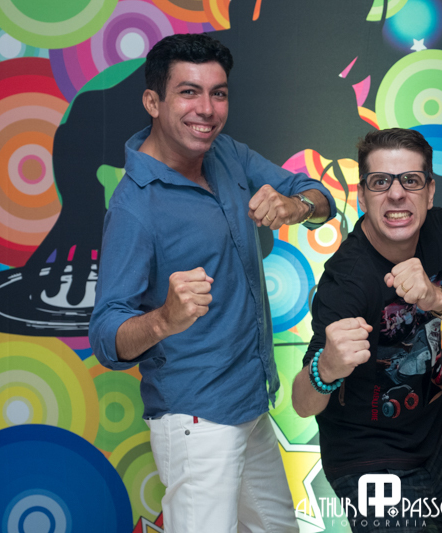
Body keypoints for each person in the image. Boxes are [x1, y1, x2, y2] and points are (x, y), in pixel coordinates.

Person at [89, 33, 336, 533]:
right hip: (197, 422)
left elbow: (319, 196)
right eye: (188, 92)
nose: (206, 109)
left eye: (217, 93)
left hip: (250, 404)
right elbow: (105, 336)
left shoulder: (226, 154)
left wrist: (295, 207)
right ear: (153, 102)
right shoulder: (135, 207)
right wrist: (164, 319)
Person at [291, 128, 442, 532]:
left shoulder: (439, 229)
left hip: (428, 445)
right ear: (362, 195)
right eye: (380, 182)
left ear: (430, 191)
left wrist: (437, 297)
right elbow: (302, 403)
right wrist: (328, 367)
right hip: (366, 459)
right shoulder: (346, 279)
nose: (396, 194)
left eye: (411, 180)